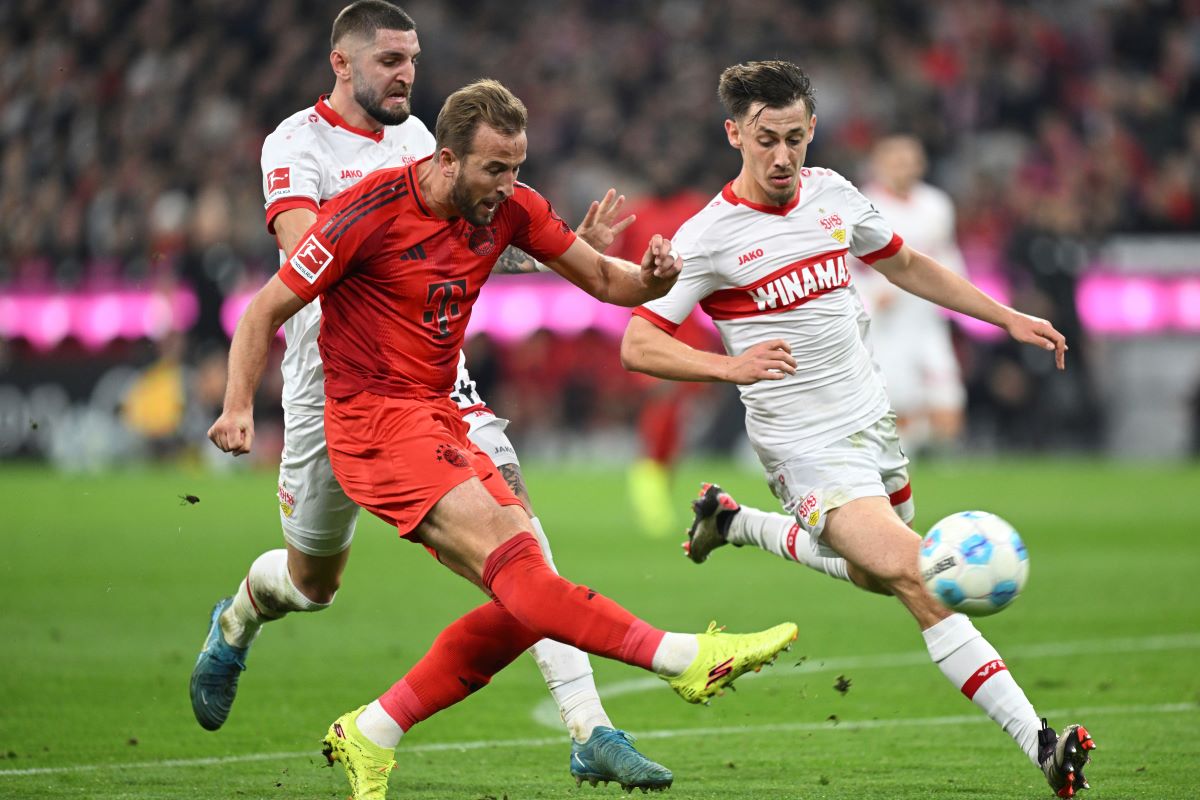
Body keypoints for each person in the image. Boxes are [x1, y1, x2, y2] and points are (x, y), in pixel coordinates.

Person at [208, 77, 798, 800]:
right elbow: (263, 309)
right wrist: (239, 407)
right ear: (447, 160)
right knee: (466, 577)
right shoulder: (365, 213)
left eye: (517, 167)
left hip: (439, 410)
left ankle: (376, 732)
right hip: (372, 423)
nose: (508, 185)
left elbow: (606, 283)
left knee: (528, 592)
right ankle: (682, 658)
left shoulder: (509, 206)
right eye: (495, 169)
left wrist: (651, 279)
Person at [187, 1, 666, 790]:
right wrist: (241, 401)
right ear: (342, 64)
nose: (407, 73)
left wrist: (547, 245)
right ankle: (239, 616)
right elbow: (310, 252)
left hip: (439, 380)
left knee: (523, 548)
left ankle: (590, 728)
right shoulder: (295, 144)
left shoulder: (424, 142)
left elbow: (464, 239)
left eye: (412, 58)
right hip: (332, 386)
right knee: (312, 584)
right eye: (389, 61)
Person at [619, 61, 1095, 799]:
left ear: (812, 132)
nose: (782, 157)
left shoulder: (834, 194)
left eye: (796, 138)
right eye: (766, 139)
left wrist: (1003, 315)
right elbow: (638, 343)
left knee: (884, 575)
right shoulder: (708, 238)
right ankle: (1043, 744)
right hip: (803, 448)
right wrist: (728, 370)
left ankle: (736, 522)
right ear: (734, 134)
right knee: (922, 576)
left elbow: (903, 262)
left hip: (873, 420)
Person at [853, 134, 967, 454]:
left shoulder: (937, 205)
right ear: (878, 165)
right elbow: (846, 267)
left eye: (909, 160)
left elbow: (947, 253)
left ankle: (940, 463)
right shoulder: (862, 206)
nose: (904, 168)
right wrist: (873, 296)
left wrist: (957, 294)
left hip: (926, 317)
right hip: (887, 324)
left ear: (921, 164)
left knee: (948, 402)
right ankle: (902, 465)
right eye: (895, 161)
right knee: (897, 405)